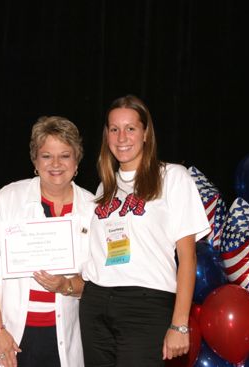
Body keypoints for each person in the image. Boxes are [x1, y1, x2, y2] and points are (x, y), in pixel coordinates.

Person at [80, 95, 210, 367]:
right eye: (114, 129)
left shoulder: (173, 177)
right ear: (106, 135)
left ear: (146, 133)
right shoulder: (105, 187)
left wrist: (180, 325)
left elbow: (188, 258)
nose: (122, 137)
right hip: (96, 303)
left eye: (131, 128)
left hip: (145, 306)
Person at [0, 116, 95, 367]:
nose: (56, 164)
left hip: (60, 341)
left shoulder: (92, 208)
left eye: (65, 155)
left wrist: (65, 286)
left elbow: (99, 281)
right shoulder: (8, 198)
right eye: (47, 156)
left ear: (77, 160)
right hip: (3, 334)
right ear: (35, 161)